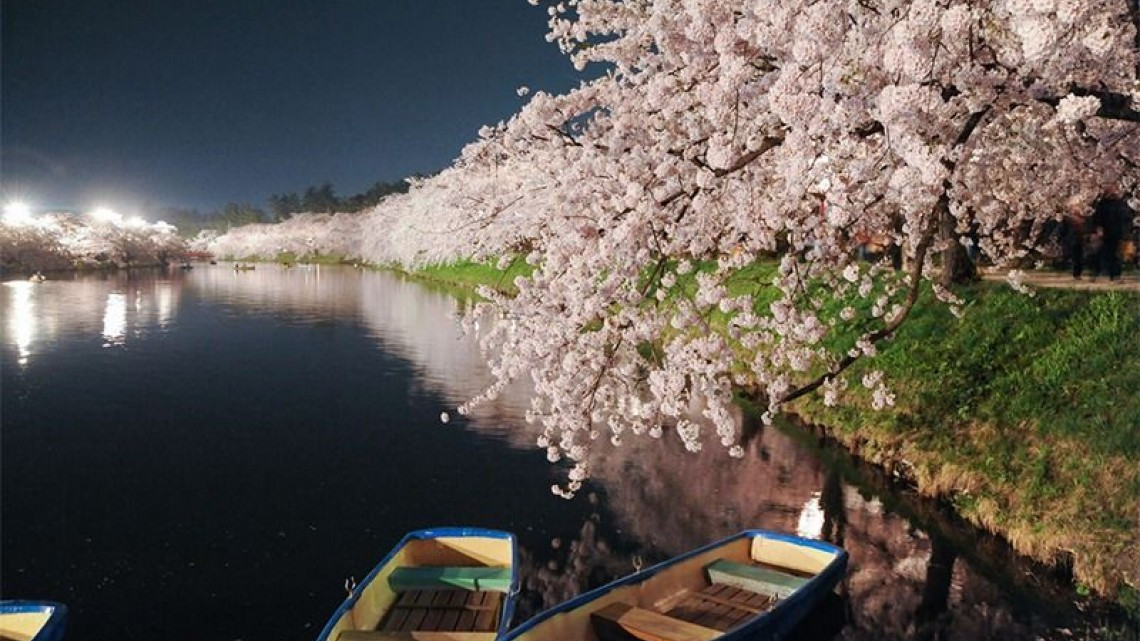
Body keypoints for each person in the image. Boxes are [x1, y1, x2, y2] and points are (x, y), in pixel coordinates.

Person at [1091, 183, 1133, 281]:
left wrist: (1126, 231)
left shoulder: (1120, 204)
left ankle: (1115, 274)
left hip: (1117, 232)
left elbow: (1126, 217)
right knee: (1104, 253)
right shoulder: (1102, 204)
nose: (1113, 193)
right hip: (1105, 232)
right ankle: (1101, 272)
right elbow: (1097, 218)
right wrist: (1098, 228)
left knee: (1116, 254)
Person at [1061, 199, 1089, 279]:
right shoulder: (1068, 219)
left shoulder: (1083, 219)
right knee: (1075, 257)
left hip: (1080, 239)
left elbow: (1086, 228)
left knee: (1080, 257)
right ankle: (1076, 273)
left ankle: (1078, 273)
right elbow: (1063, 229)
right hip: (1072, 239)